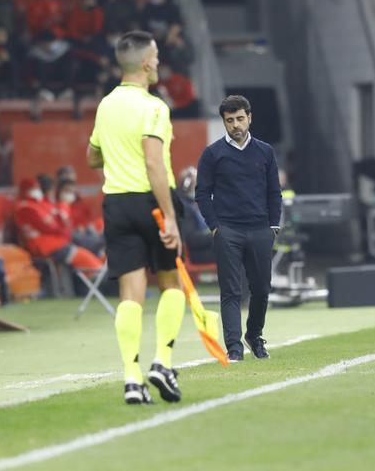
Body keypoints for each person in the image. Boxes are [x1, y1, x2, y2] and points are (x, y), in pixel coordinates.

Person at [87, 31, 186, 405]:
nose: (159, 62)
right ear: (146, 62)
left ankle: (132, 378)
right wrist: (171, 217)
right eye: (157, 56)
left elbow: (92, 157)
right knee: (171, 284)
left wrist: (116, 150)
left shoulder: (106, 105)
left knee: (131, 295)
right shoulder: (154, 107)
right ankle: (163, 361)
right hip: (151, 202)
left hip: (116, 203)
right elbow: (153, 162)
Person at [196, 95, 281, 362]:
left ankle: (254, 335)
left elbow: (274, 191)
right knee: (231, 291)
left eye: (240, 118)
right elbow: (202, 194)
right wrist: (214, 227)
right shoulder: (213, 154)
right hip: (228, 231)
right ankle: (234, 347)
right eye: (230, 120)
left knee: (261, 289)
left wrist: (273, 227)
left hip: (260, 230)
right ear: (223, 121)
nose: (235, 124)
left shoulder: (265, 152)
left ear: (250, 118)